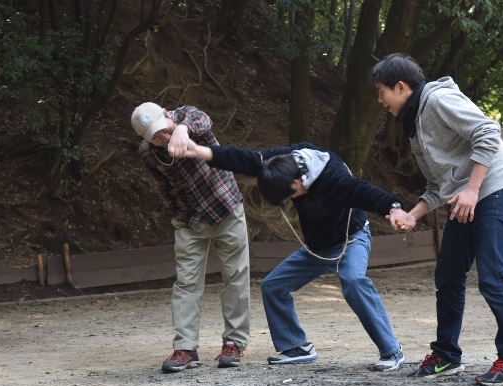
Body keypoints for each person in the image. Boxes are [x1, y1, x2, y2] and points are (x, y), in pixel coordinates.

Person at [173, 138, 417, 371]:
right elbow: (246, 159)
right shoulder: (283, 162)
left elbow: (363, 190)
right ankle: (296, 346)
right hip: (317, 247)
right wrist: (199, 151)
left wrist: (393, 207)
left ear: (300, 179)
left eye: (291, 192)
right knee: (273, 286)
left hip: (350, 238)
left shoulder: (332, 178)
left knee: (353, 280)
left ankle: (392, 351)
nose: (291, 198)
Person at [370, 53, 503, 386]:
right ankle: (446, 355)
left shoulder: (438, 99)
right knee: (448, 274)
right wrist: (412, 215)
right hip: (465, 198)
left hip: (494, 191)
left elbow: (488, 131)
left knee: (493, 277)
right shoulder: (414, 127)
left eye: (382, 92)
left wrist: (472, 189)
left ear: (401, 87)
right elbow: (437, 186)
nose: (381, 100)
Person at [131, 102, 250, 372]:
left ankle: (234, 343)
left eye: (165, 130)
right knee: (186, 283)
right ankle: (185, 348)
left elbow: (200, 117)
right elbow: (163, 186)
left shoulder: (189, 120)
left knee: (235, 276)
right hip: (189, 219)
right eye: (156, 137)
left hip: (226, 207)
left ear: (166, 114)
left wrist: (182, 129)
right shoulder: (148, 152)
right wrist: (177, 215)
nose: (164, 138)